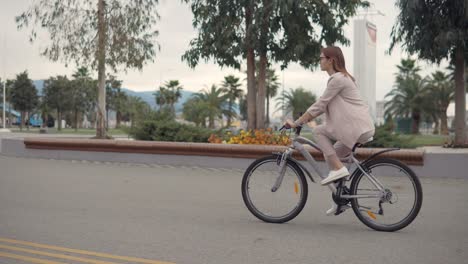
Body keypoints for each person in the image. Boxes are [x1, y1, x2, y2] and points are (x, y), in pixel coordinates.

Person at [284, 46, 375, 215]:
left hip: (356, 127)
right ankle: (339, 199)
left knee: (318, 131)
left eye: (321, 58)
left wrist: (297, 123)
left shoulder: (338, 79)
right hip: (359, 127)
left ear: (331, 60)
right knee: (331, 156)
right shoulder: (341, 78)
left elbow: (320, 105)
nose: (319, 61)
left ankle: (340, 170)